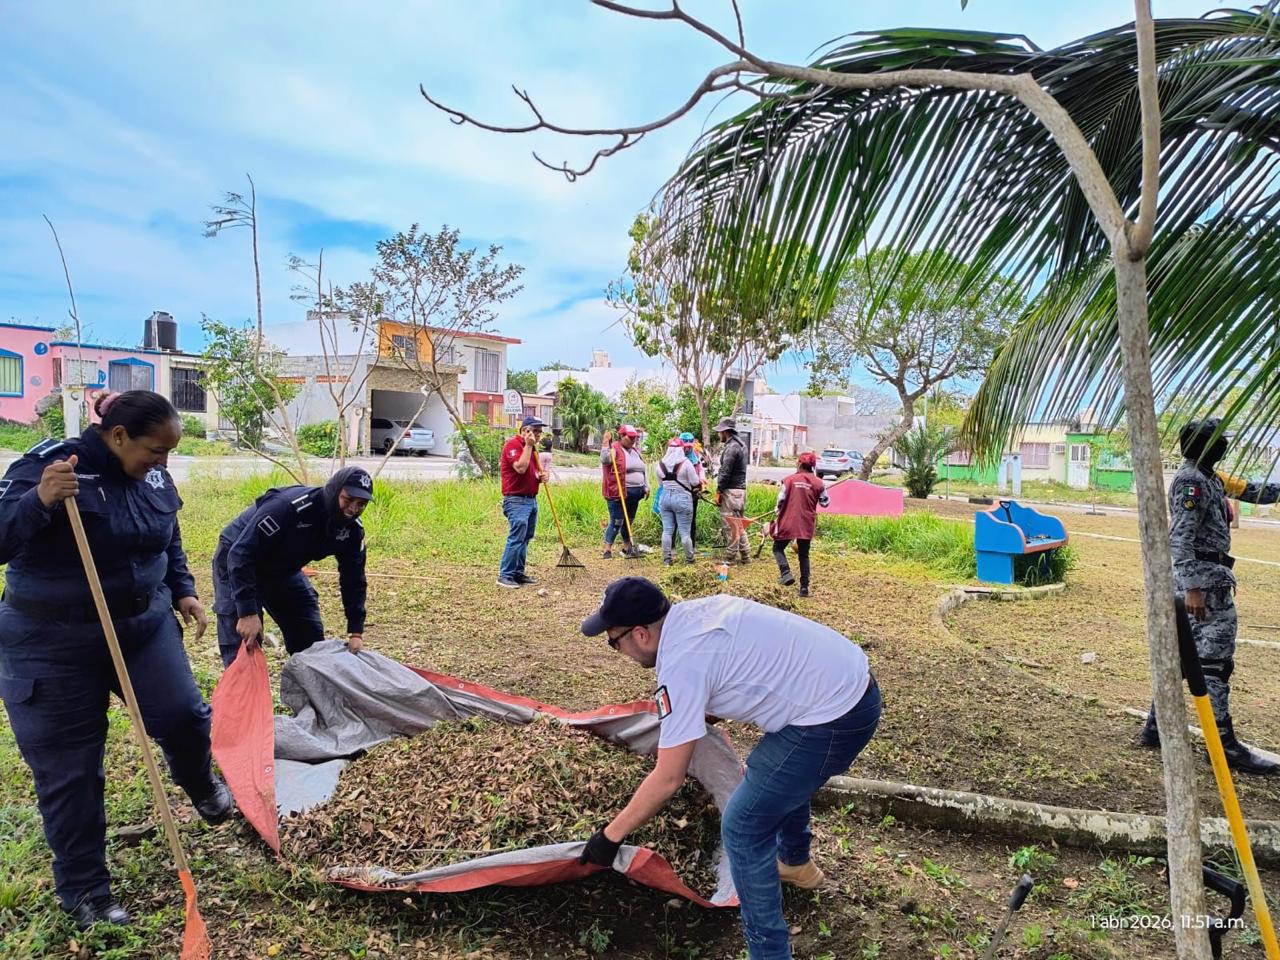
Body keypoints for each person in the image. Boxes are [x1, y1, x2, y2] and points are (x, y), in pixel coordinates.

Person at [0, 390, 232, 929]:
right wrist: (40, 500)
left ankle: (200, 784)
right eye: (156, 451)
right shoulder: (49, 466)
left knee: (184, 716)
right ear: (120, 436)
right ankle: (85, 889)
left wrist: (182, 588)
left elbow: (166, 533)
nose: (163, 462)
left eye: (169, 453)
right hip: (51, 643)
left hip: (141, 628)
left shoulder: (153, 475)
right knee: (71, 770)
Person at [578, 577, 881, 960]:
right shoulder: (695, 614)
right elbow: (729, 675)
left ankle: (769, 954)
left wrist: (609, 837)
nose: (617, 650)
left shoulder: (682, 664)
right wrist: (683, 722)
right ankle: (795, 863)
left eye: (614, 642)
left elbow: (668, 778)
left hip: (836, 716)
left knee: (743, 826)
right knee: (774, 774)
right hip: (849, 683)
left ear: (640, 634)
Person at [1138, 418, 1280, 774]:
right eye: (1219, 441)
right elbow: (1180, 539)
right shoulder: (1192, 482)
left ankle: (1156, 727)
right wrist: (1193, 589)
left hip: (1207, 581)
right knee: (1215, 663)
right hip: (1203, 588)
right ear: (1204, 446)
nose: (1224, 446)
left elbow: (1253, 491)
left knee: (1180, 659)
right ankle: (1222, 744)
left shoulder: (1210, 476)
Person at [213, 465, 372, 668]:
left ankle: (307, 686)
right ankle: (241, 685)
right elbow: (241, 553)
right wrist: (246, 612)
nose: (353, 509)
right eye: (348, 500)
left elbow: (354, 579)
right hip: (237, 559)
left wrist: (356, 631)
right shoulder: (288, 507)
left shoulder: (352, 531)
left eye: (361, 504)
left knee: (309, 635)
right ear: (334, 492)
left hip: (283, 568)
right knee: (245, 642)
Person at [771, 452, 828, 597]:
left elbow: (780, 500)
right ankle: (804, 588)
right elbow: (825, 503)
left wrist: (777, 510)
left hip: (789, 520)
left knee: (778, 548)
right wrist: (818, 492)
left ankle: (786, 573)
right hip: (806, 522)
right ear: (812, 466)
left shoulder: (789, 480)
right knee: (803, 555)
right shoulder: (818, 483)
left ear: (800, 464)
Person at [497, 415, 544, 588]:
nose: (537, 435)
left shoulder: (532, 449)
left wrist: (540, 477)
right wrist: (529, 446)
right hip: (516, 500)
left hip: (531, 499)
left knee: (525, 538)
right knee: (517, 537)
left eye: (539, 432)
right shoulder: (513, 445)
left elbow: (530, 473)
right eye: (534, 431)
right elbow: (520, 468)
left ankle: (517, 572)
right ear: (524, 430)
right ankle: (505, 575)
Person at [601, 424, 648, 559]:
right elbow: (605, 460)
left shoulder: (635, 451)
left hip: (635, 494)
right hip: (618, 493)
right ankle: (607, 549)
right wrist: (605, 444)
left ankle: (627, 548)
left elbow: (643, 470)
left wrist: (646, 486)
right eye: (630, 437)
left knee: (629, 521)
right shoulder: (614, 448)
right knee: (617, 521)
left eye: (635, 438)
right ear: (621, 436)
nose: (633, 440)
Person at [657, 437, 702, 565]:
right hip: (682, 499)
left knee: (667, 531)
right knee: (685, 533)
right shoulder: (686, 463)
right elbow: (695, 482)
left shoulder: (660, 464)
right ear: (681, 449)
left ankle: (667, 559)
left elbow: (661, 484)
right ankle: (689, 559)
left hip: (665, 498)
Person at [714, 416, 749, 564]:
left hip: (731, 492)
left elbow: (725, 472)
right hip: (740, 491)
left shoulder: (732, 447)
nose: (718, 435)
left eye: (719, 432)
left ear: (725, 431)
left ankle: (730, 557)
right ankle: (745, 554)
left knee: (731, 526)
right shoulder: (741, 445)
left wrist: (719, 491)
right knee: (739, 524)